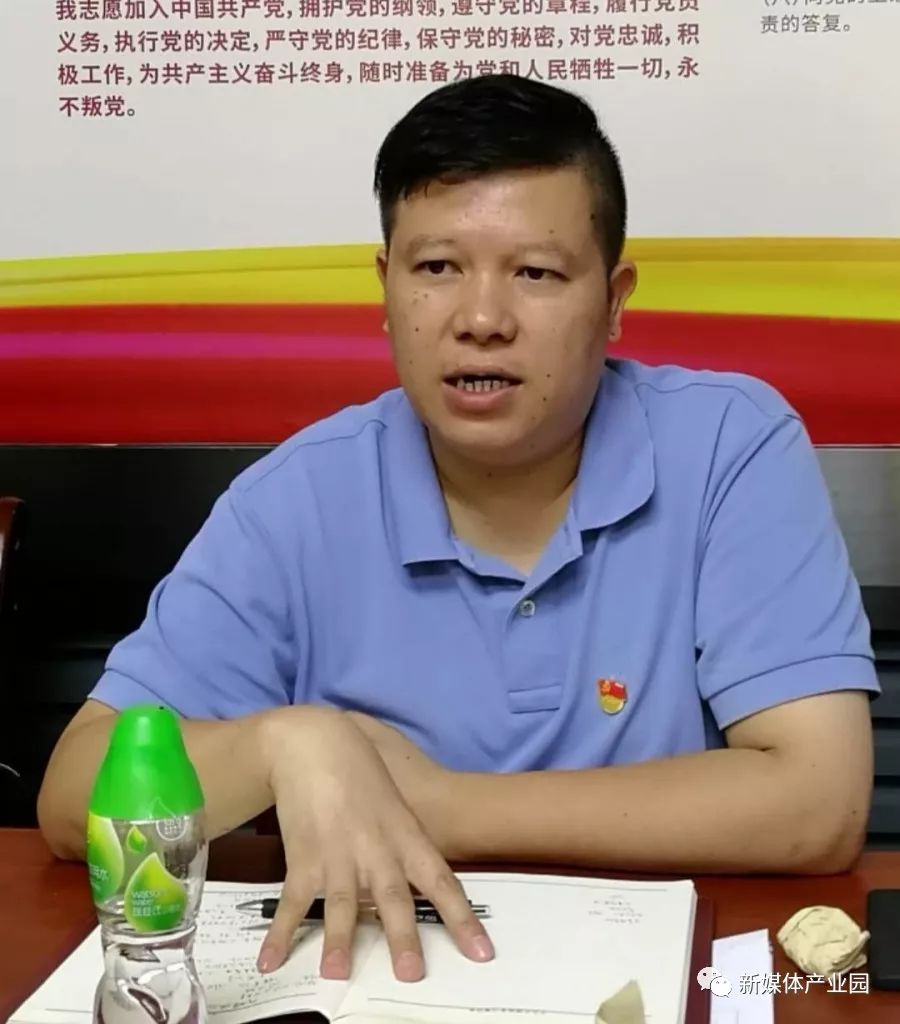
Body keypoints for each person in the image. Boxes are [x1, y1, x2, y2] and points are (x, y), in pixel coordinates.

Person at [38, 74, 879, 984]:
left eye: (536, 273)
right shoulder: (296, 498)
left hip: (646, 975)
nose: (481, 320)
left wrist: (437, 805)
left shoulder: (728, 447)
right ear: (386, 287)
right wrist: (282, 744)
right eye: (437, 268)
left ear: (614, 299)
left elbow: (818, 805)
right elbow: (74, 793)